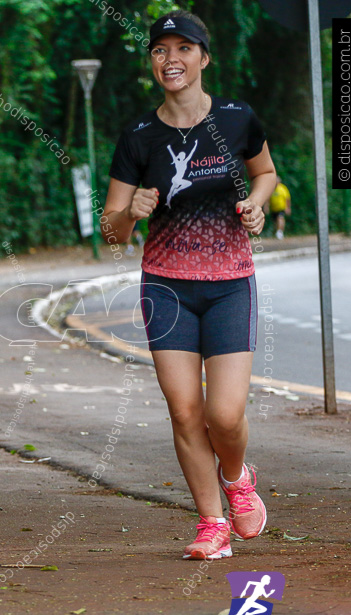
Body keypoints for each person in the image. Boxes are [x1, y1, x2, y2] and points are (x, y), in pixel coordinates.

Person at [99, 11, 277, 561]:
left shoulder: (236, 117)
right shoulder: (138, 136)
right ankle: (211, 524)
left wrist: (257, 205)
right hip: (167, 288)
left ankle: (236, 476)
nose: (170, 58)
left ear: (204, 58)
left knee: (223, 415)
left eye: (183, 48)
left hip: (229, 284)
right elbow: (110, 231)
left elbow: (265, 172)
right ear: (151, 60)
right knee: (183, 411)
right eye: (159, 49)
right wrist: (132, 209)